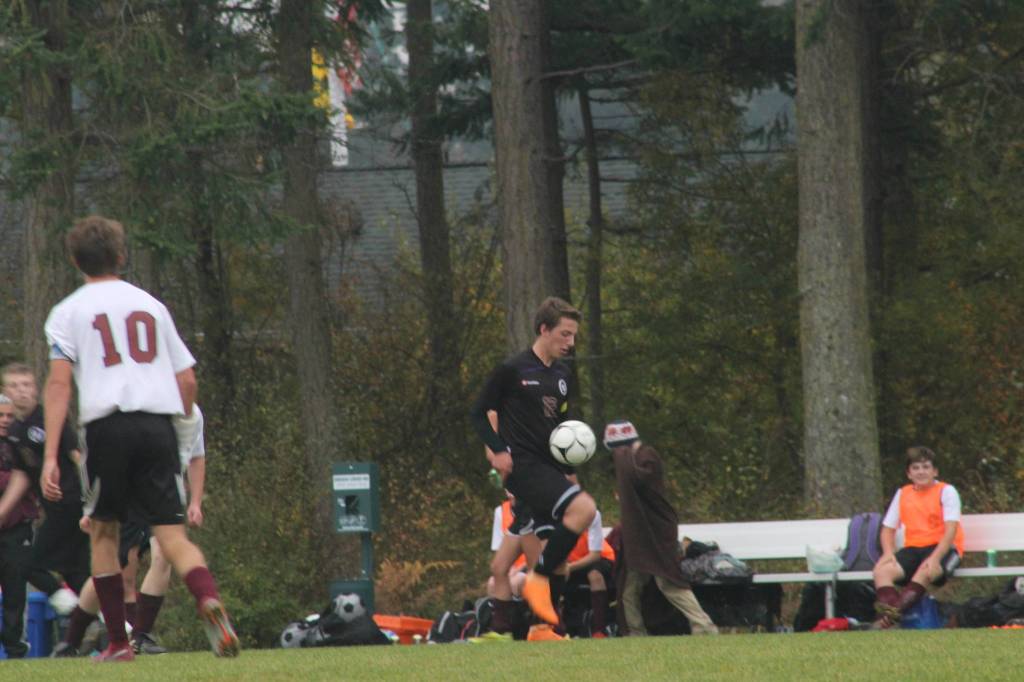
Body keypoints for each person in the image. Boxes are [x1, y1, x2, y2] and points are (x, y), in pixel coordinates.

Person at [41, 215, 238, 662]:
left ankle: (116, 643)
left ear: (75, 260)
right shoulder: (151, 305)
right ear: (122, 256)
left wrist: (52, 454)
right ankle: (207, 598)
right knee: (172, 536)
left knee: (104, 535)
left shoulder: (68, 311)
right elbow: (187, 381)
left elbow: (58, 385)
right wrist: (179, 426)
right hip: (157, 426)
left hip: (107, 427)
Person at [470, 296, 598, 637]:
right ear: (544, 329)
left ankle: (540, 628)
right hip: (524, 468)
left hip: (549, 468)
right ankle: (535, 581)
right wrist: (498, 450)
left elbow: (562, 427)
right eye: (565, 334)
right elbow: (479, 412)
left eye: (573, 336)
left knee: (557, 561)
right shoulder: (512, 370)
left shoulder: (562, 374)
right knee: (584, 510)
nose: (570, 343)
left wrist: (569, 469)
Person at [53, 404, 209, 657]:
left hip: (162, 489)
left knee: (164, 556)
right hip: (133, 494)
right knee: (115, 565)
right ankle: (72, 639)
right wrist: (89, 509)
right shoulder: (138, 403)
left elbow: (197, 456)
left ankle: (139, 635)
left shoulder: (191, 411)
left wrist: (196, 502)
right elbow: (101, 457)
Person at [605, 420, 718, 636]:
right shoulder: (629, 461)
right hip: (636, 537)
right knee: (629, 588)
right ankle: (635, 632)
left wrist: (624, 456)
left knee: (669, 583)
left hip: (656, 534)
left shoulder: (647, 457)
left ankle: (703, 626)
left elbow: (640, 481)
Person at [0, 363, 87, 614]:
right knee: (77, 574)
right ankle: (116, 629)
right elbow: (22, 475)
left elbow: (77, 457)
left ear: (36, 389)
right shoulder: (16, 431)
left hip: (73, 505)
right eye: (15, 386)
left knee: (31, 564)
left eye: (26, 385)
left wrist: (94, 502)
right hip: (56, 510)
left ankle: (76, 612)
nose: (22, 391)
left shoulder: (50, 419)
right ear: (6, 391)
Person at [872, 446, 964, 628]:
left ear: (935, 471)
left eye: (926, 467)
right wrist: (888, 552)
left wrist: (936, 558)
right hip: (914, 549)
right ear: (909, 473)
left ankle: (887, 620)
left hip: (944, 549)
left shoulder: (947, 491)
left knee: (926, 570)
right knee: (881, 571)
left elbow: (951, 530)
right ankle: (894, 616)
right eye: (916, 468)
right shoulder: (903, 493)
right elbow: (887, 529)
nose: (921, 472)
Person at [0, 394, 37, 658]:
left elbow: (31, 477)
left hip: (16, 527)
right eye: (0, 416)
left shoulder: (22, 446)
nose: (4, 421)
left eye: (9, 416)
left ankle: (15, 648)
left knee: (15, 592)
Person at [558, 507, 615, 638]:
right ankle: (559, 627)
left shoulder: (586, 519)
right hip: (574, 563)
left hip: (600, 558)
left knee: (594, 575)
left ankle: (599, 629)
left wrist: (569, 567)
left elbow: (594, 556)